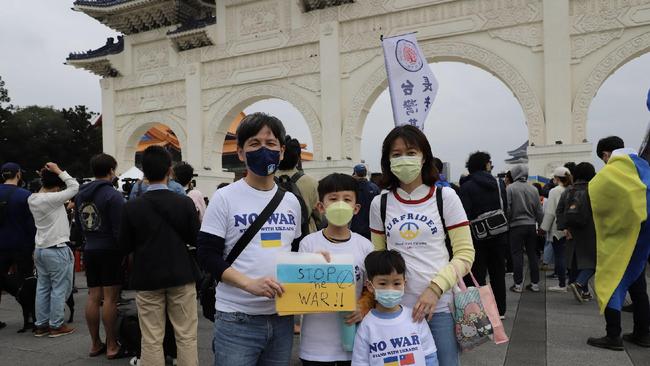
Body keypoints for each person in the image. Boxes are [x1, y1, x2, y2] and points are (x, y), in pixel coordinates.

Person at [196, 112, 302, 366]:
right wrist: (248, 284)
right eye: (254, 144)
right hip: (236, 318)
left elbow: (297, 250)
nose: (263, 150)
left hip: (281, 317)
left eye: (270, 143)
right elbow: (206, 255)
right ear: (241, 152)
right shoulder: (224, 198)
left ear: (281, 151)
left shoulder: (291, 201)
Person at [369, 125, 474, 366]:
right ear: (387, 160)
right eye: (396, 155)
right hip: (396, 309)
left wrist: (435, 289)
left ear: (424, 156)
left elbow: (465, 254)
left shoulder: (445, 197)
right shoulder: (380, 203)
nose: (403, 159)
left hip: (441, 308)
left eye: (411, 152)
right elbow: (378, 257)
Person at [119, 146, 201, 365]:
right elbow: (196, 240)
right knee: (186, 335)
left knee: (152, 337)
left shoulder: (132, 207)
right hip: (180, 272)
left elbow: (124, 245)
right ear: (170, 171)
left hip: (147, 275)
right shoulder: (184, 202)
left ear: (144, 173)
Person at [298, 173, 374, 365]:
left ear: (356, 208)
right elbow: (296, 289)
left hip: (354, 344)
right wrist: (311, 267)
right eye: (333, 199)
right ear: (321, 207)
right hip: (314, 347)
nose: (340, 204)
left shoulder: (365, 246)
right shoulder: (308, 243)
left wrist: (363, 306)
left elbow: (372, 287)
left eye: (347, 200)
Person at [587, 136, 650, 350]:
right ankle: (643, 333)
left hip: (625, 233)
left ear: (606, 155)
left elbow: (598, 196)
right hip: (645, 233)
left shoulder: (611, 172)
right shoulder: (643, 164)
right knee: (638, 281)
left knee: (611, 277)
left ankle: (613, 335)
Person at [74, 153, 125, 358]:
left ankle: (95, 343)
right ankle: (112, 345)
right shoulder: (112, 195)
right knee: (110, 299)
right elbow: (119, 229)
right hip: (110, 250)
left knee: (93, 296)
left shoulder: (80, 195)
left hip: (90, 248)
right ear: (111, 171)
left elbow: (79, 225)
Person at [352, 250, 438, 366]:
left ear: (404, 284)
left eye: (397, 283)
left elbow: (430, 356)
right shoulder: (367, 325)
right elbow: (360, 362)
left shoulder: (415, 318)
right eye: (383, 284)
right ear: (370, 286)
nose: (390, 289)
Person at [28, 162, 79, 337]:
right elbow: (74, 186)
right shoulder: (53, 199)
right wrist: (58, 171)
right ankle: (56, 325)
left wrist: (47, 177)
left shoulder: (33, 198)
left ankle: (41, 324)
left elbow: (50, 191)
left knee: (43, 287)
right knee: (59, 288)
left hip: (41, 249)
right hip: (56, 248)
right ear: (57, 186)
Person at [459, 151, 508, 317]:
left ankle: (478, 310)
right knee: (498, 273)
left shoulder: (466, 186)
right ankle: (500, 310)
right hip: (499, 233)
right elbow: (505, 207)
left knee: (477, 274)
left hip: (477, 236)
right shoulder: (498, 184)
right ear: (486, 164)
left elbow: (464, 214)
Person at [0, 162, 36, 330]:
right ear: (18, 174)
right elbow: (31, 225)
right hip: (21, 245)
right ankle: (28, 317)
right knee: (26, 281)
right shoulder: (25, 195)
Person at [556, 162, 597, 303]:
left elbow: (559, 210)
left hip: (571, 231)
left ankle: (584, 292)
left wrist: (564, 228)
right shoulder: (593, 189)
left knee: (578, 261)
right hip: (590, 230)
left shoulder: (568, 191)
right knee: (593, 262)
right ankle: (579, 284)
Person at [506, 164, 543, 293]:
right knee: (532, 254)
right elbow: (539, 210)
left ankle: (518, 284)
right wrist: (541, 225)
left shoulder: (510, 188)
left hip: (515, 226)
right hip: (531, 225)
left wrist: (508, 221)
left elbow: (508, 208)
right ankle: (535, 283)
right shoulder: (533, 189)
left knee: (517, 255)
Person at [276, 135, 320, 234]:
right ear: (298, 158)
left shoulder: (267, 181)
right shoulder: (311, 182)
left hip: (276, 234)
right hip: (306, 233)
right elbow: (318, 213)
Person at [541, 166, 572, 292]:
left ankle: (561, 284)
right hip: (571, 228)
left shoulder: (555, 191)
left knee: (560, 256)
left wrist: (543, 228)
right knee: (569, 256)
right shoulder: (572, 189)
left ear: (557, 178)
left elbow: (550, 213)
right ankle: (573, 282)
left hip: (558, 228)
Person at [351, 164, 380, 240]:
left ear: (355, 173)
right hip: (372, 226)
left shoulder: (352, 188)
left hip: (356, 226)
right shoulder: (374, 187)